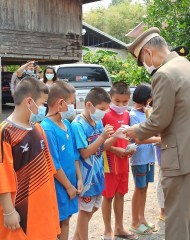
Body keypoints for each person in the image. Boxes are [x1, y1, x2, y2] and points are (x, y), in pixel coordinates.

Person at [124, 27, 190, 240]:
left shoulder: (164, 74)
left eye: (142, 60)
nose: (145, 66)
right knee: (189, 216)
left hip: (182, 156)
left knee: (177, 219)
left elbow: (159, 120)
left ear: (147, 52)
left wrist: (134, 131)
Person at [0, 77, 60, 239]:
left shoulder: (38, 129)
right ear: (29, 102)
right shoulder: (5, 132)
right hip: (21, 212)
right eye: (42, 104)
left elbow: (49, 170)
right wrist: (9, 211)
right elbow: (2, 176)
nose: (43, 109)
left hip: (43, 208)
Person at [71, 87, 125, 240]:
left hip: (98, 176)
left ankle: (77, 237)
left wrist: (114, 137)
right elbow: (85, 152)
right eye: (102, 109)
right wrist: (102, 137)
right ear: (89, 105)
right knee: (85, 211)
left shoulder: (97, 121)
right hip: (86, 178)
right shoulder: (78, 125)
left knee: (93, 207)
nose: (104, 113)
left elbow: (101, 148)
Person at [40, 81, 83, 240]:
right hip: (59, 187)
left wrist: (79, 178)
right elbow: (54, 164)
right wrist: (68, 186)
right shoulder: (47, 128)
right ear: (60, 103)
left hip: (71, 183)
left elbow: (74, 154)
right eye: (71, 103)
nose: (73, 107)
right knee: (58, 222)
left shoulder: (66, 123)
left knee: (66, 219)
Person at [102, 82, 137, 240]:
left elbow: (128, 137)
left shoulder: (127, 115)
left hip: (123, 162)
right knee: (108, 196)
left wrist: (130, 148)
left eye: (124, 102)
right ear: (110, 98)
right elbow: (100, 143)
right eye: (117, 101)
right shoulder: (104, 115)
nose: (121, 105)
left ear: (129, 99)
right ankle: (108, 230)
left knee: (121, 194)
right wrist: (117, 150)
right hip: (109, 163)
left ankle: (119, 227)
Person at [129, 83, 161, 235]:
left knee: (145, 188)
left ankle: (142, 218)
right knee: (139, 188)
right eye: (150, 97)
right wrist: (158, 140)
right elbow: (137, 138)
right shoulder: (133, 115)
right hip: (139, 157)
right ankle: (135, 221)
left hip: (148, 157)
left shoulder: (146, 113)